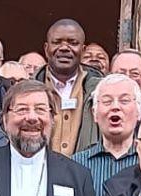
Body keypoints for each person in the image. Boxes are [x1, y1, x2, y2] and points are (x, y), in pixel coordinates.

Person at [37, 20, 102, 157]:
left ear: (83, 51)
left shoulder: (100, 91)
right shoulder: (28, 90)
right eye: (57, 42)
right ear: (46, 49)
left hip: (87, 174)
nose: (64, 48)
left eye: (73, 43)